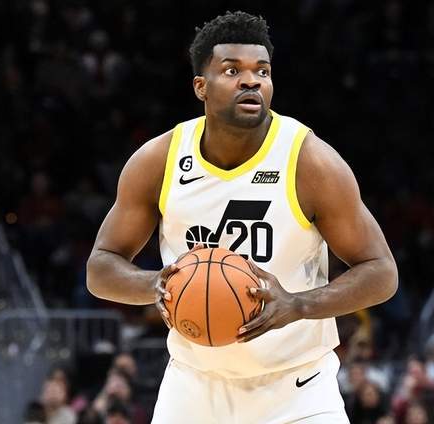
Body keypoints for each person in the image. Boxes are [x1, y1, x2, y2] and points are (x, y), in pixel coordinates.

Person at [86, 11, 398, 423]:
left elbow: (381, 272)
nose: (251, 81)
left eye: (262, 71)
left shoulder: (310, 161)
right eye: (232, 70)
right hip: (192, 387)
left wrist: (298, 304)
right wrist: (155, 284)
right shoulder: (159, 160)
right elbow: (100, 267)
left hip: (297, 389)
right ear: (201, 86)